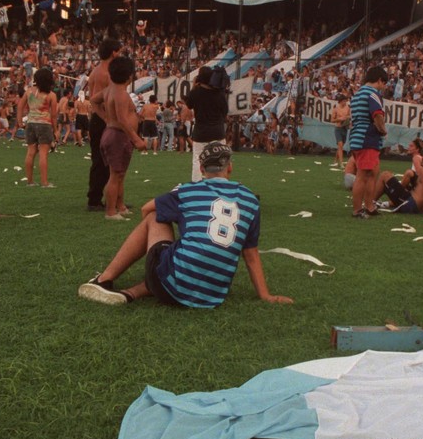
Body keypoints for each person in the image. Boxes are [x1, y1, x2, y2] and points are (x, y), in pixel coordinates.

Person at [77, 142, 293, 307]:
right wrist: (265, 296)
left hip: (172, 284)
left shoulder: (188, 191)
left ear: (201, 168)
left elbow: (146, 209)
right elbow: (251, 254)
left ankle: (104, 279)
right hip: (213, 295)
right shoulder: (250, 200)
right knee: (183, 260)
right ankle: (133, 292)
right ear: (230, 168)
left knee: (155, 217)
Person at [92, 56, 146, 219]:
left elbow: (94, 101)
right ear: (129, 75)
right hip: (118, 136)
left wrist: (105, 117)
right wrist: (136, 139)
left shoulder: (109, 90)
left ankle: (120, 206)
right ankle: (110, 211)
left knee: (119, 174)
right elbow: (122, 119)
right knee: (115, 175)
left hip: (112, 133)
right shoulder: (121, 93)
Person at [86, 39, 123, 211]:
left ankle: (103, 198)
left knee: (101, 161)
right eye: (119, 51)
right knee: (105, 162)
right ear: (114, 53)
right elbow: (101, 100)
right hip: (103, 120)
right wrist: (109, 119)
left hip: (97, 119)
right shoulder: (107, 74)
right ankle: (95, 199)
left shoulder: (95, 71)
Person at [348, 66, 389, 218]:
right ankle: (358, 210)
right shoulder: (373, 94)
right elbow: (377, 115)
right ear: (379, 80)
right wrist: (383, 130)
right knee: (363, 175)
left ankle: (370, 207)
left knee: (373, 173)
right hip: (368, 138)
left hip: (358, 137)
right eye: (384, 83)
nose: (384, 87)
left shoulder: (358, 94)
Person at [15, 68, 58, 188]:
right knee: (43, 154)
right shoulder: (52, 95)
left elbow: (20, 106)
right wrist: (56, 130)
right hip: (45, 124)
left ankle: (30, 181)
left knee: (30, 152)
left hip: (31, 124)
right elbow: (54, 115)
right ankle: (44, 182)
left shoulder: (29, 91)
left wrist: (19, 122)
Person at [185, 66, 228, 182]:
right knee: (221, 159)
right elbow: (225, 112)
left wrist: (194, 85)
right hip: (217, 131)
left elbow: (188, 104)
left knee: (197, 160)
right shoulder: (219, 93)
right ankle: (221, 184)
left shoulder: (196, 92)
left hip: (201, 132)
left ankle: (197, 186)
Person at [330, 94, 350, 167]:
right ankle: (341, 163)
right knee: (340, 145)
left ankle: (335, 160)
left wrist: (346, 118)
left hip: (345, 128)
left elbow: (350, 116)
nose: (345, 102)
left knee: (340, 147)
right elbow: (332, 120)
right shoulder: (336, 109)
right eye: (344, 101)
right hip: (338, 128)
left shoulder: (348, 108)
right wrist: (339, 119)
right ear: (340, 101)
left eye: (345, 101)